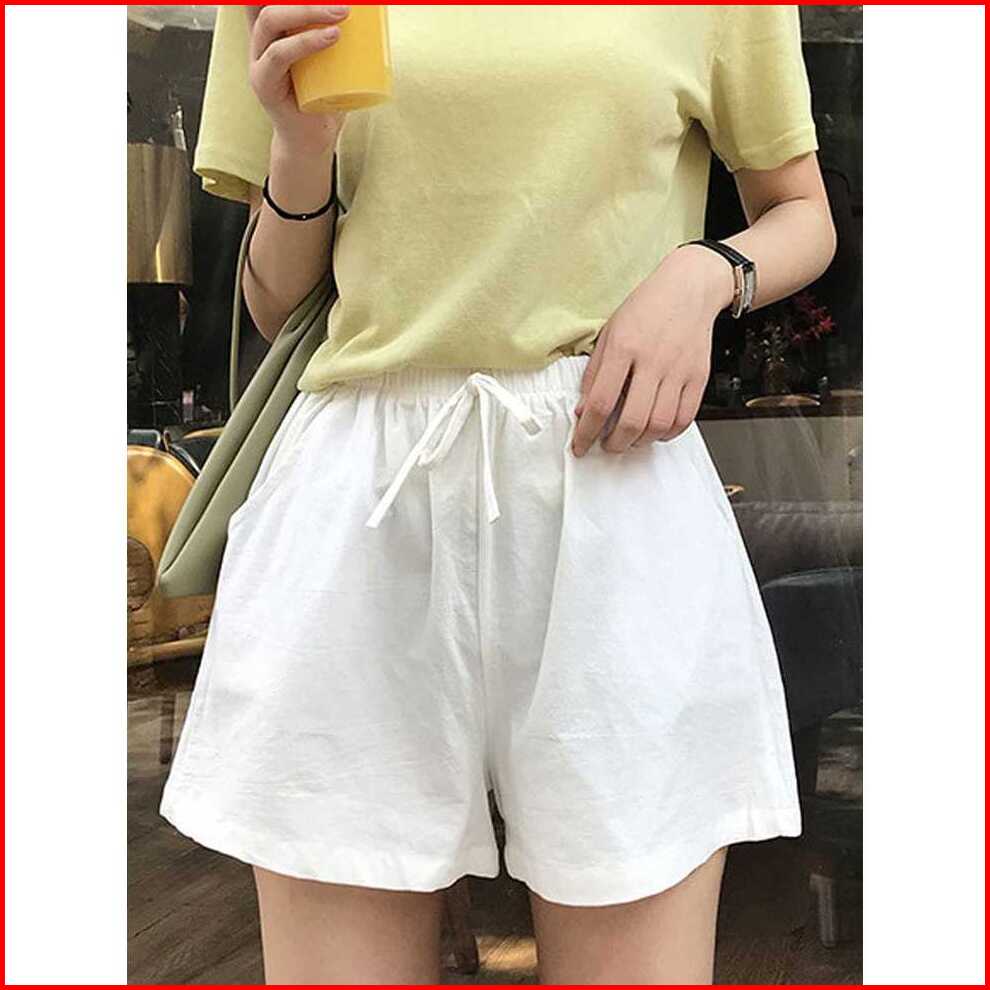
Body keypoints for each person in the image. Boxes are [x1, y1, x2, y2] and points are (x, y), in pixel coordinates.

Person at [160, 4, 837, 984]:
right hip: (361, 496)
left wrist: (704, 275)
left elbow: (801, 211)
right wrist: (302, 146)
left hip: (609, 476)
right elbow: (276, 304)